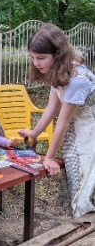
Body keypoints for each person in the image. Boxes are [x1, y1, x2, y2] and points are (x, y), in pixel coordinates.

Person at [18, 23, 95, 218]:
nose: (36, 63)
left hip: (90, 137)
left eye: (41, 58)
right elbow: (52, 108)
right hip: (78, 135)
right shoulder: (59, 73)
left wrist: (49, 157)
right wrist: (34, 133)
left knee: (85, 188)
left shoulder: (76, 79)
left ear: (58, 53)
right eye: (33, 57)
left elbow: (63, 122)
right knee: (77, 184)